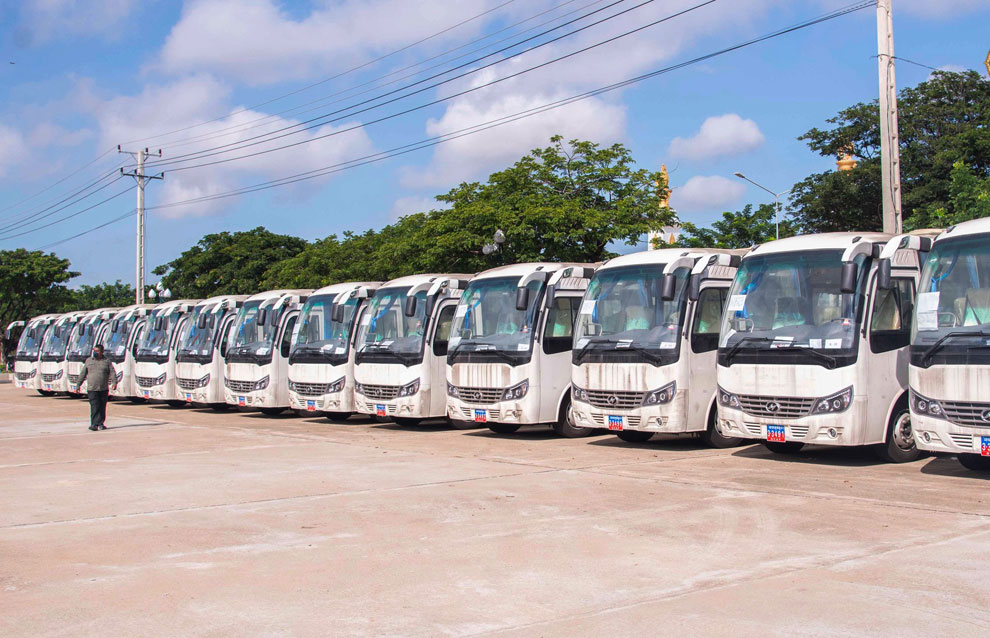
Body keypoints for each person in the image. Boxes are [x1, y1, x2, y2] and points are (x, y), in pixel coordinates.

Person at [75, 344, 118, 431]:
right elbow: (83, 373)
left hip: (103, 388)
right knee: (94, 406)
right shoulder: (89, 361)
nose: (95, 352)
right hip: (92, 388)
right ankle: (94, 424)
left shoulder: (106, 361)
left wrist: (114, 382)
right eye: (94, 351)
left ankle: (101, 423)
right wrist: (78, 385)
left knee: (102, 406)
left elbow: (112, 372)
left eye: (97, 351)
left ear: (102, 352)